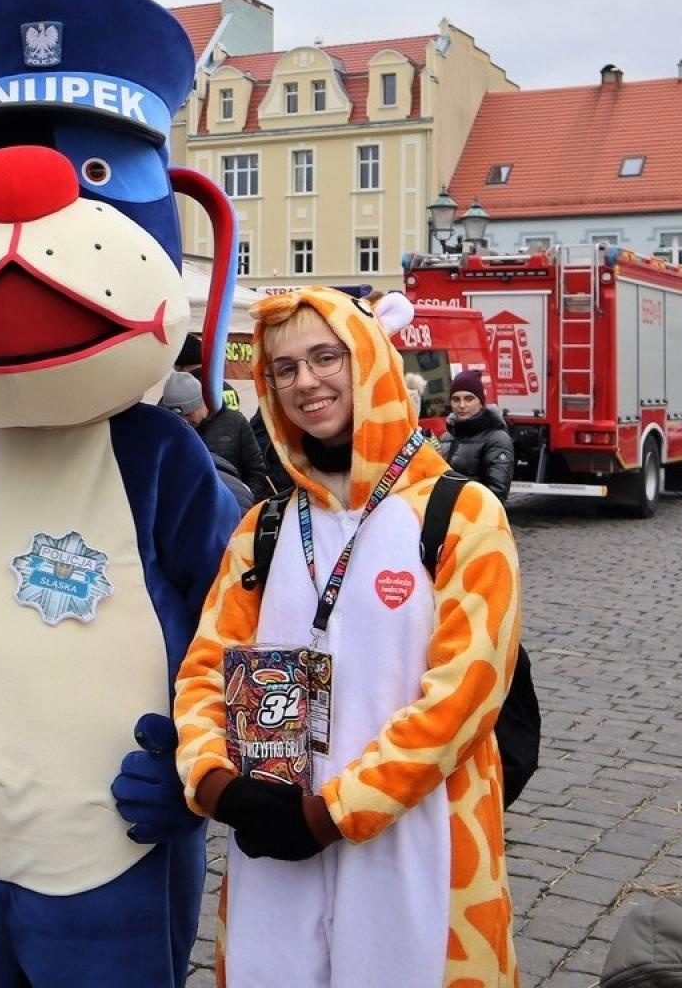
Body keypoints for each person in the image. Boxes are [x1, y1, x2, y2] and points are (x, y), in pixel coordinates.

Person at [173, 287, 521, 986]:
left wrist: (333, 814)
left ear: (368, 362)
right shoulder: (263, 528)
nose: (307, 381)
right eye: (285, 368)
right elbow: (205, 670)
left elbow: (463, 698)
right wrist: (218, 786)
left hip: (416, 843)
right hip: (275, 842)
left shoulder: (459, 514)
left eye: (325, 357)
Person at [162, 370, 272, 502]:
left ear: (202, 404)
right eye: (178, 417)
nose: (184, 421)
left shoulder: (235, 423)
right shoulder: (169, 428)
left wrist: (246, 501)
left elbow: (257, 470)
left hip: (234, 506)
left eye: (189, 415)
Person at [441, 368, 515, 501]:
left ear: (480, 402)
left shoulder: (497, 439)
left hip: (476, 517)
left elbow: (496, 493)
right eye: (456, 399)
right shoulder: (447, 437)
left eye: (469, 399)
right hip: (448, 517)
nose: (462, 405)